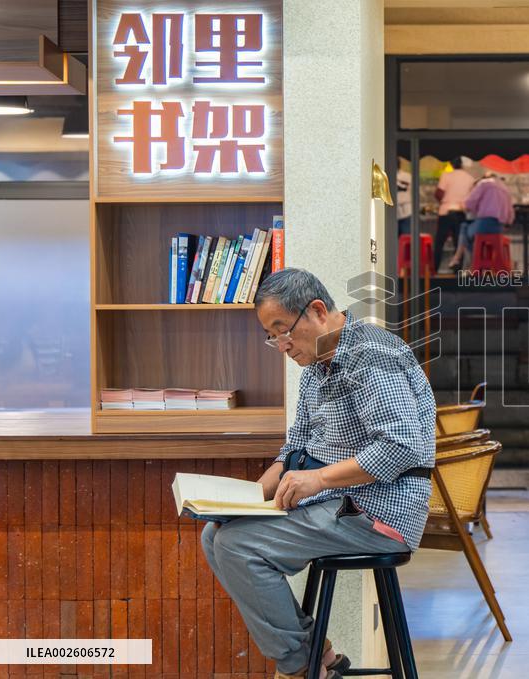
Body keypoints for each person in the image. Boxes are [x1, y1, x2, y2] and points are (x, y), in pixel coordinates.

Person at [200, 268, 436, 679]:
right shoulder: (316, 367)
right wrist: (260, 487)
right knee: (214, 532)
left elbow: (403, 445)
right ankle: (318, 654)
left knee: (238, 546)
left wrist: (320, 479)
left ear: (317, 311)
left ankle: (299, 668)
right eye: (272, 336)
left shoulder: (372, 355)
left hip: (378, 511)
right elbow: (297, 445)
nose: (281, 345)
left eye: (282, 331)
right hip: (334, 504)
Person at [447, 172, 514, 271]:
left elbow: (469, 203)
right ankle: (474, 266)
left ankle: (460, 259)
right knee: (472, 237)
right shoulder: (505, 188)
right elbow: (511, 214)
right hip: (499, 228)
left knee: (464, 228)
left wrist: (466, 207)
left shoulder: (484, 183)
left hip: (484, 224)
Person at [433, 157, 475, 271]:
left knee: (439, 242)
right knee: (459, 243)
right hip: (461, 212)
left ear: (451, 164)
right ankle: (458, 271)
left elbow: (439, 194)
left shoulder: (446, 175)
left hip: (445, 211)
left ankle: (434, 269)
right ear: (462, 165)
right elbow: (472, 198)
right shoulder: (470, 178)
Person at [395, 167, 412, 235]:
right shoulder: (387, 173)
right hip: (392, 212)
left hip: (406, 211)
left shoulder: (406, 176)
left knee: (406, 238)